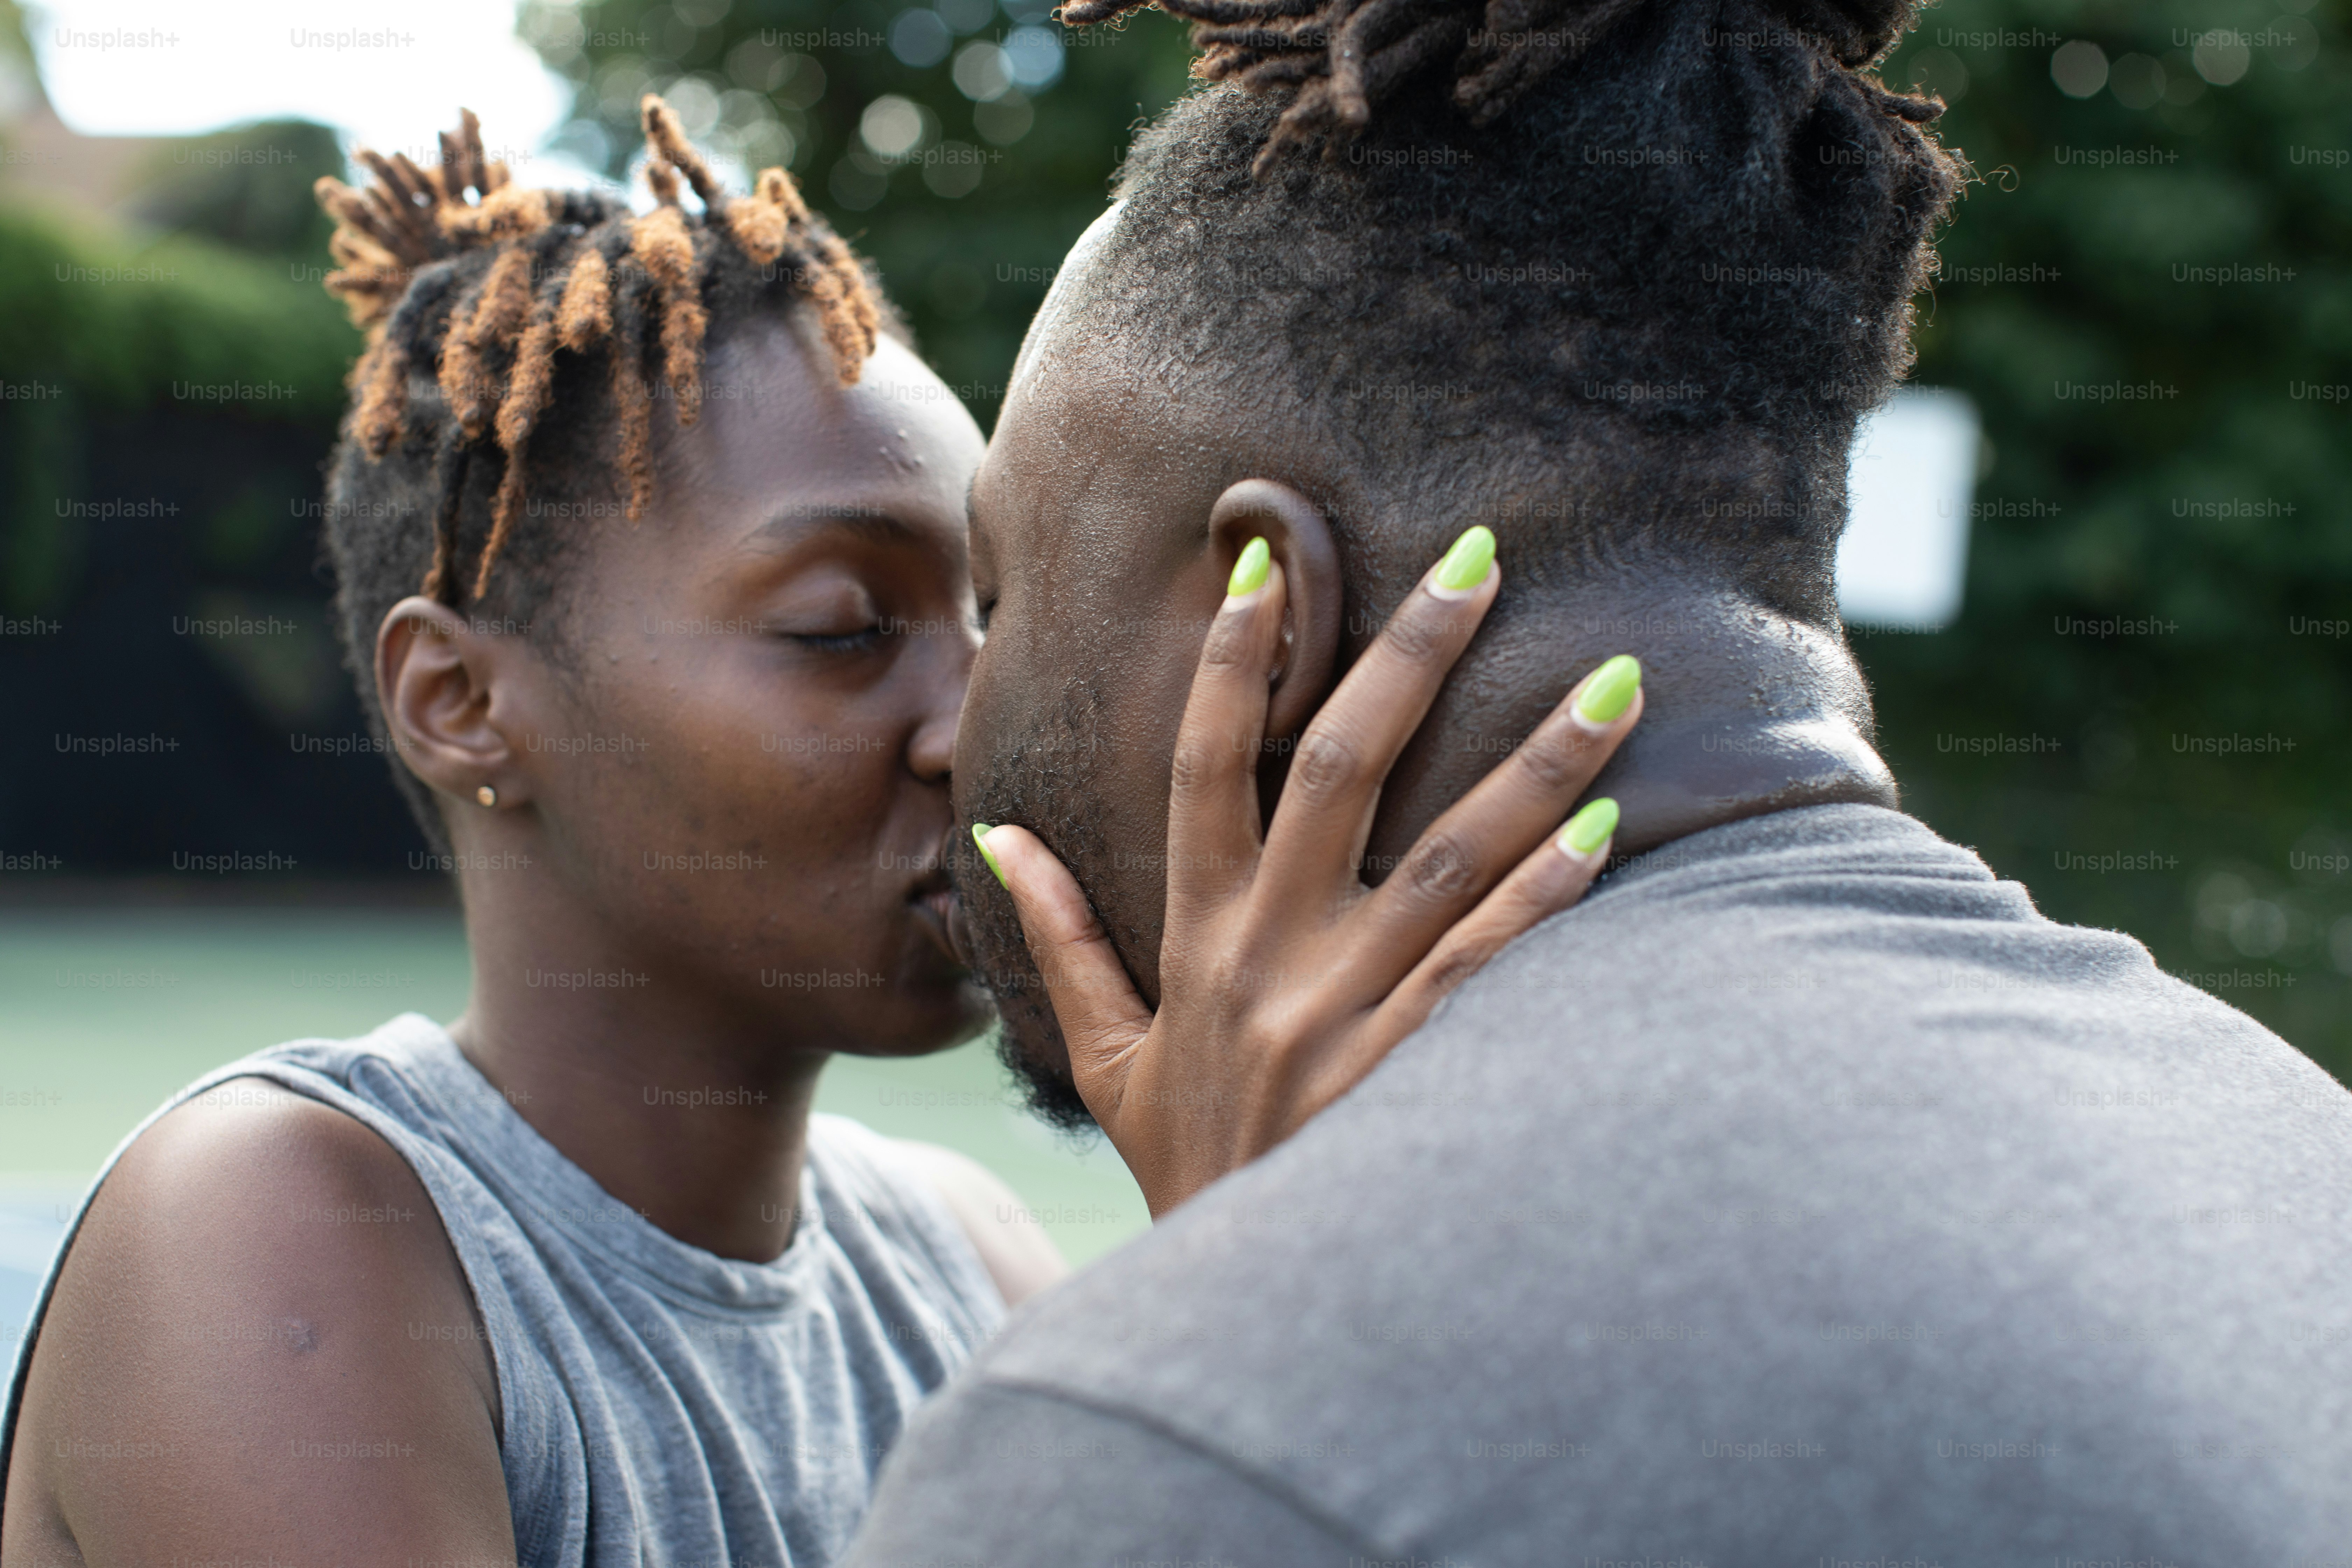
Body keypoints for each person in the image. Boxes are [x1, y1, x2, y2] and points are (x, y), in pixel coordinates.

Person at [0, 105, 1643, 1565]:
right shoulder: (285, 1225)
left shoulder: (966, 1256)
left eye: (991, 617)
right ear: (461, 703)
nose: (970, 727)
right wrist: (1229, 1303)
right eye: (849, 623)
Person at [844, 0, 2352, 1559]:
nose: (955, 720)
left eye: (1005, 591)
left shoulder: (1144, 1444)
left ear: (1263, 618)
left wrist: (1235, 1332)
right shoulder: (2301, 1162)